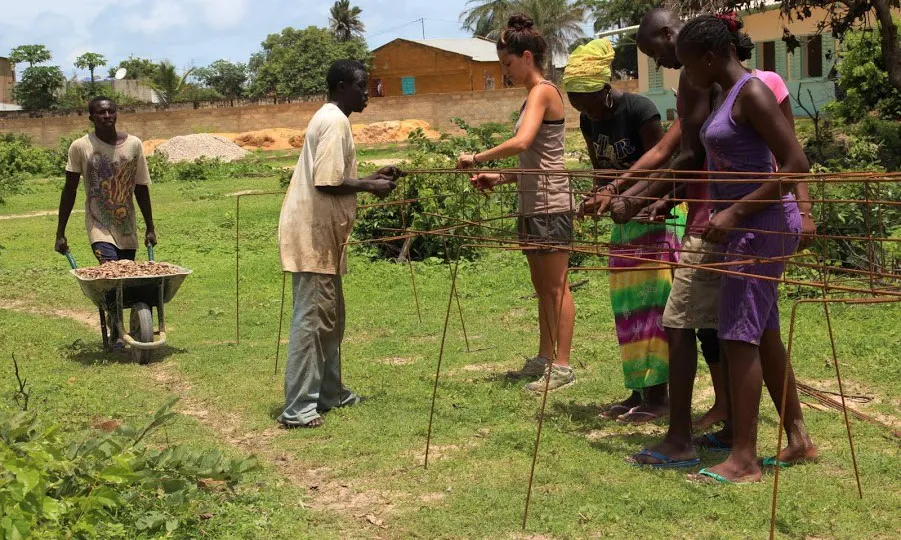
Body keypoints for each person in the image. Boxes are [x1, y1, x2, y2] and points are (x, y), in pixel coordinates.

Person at [626, 11, 816, 467]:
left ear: (710, 57)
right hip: (743, 226)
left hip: (761, 227)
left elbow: (794, 164)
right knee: (760, 333)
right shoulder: (728, 93)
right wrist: (664, 198)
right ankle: (794, 440)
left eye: (689, 65)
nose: (684, 73)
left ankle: (744, 458)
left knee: (738, 335)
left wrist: (733, 210)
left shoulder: (752, 91)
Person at [277, 60, 402, 428]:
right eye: (363, 86)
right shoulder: (334, 121)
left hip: (322, 234)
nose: (368, 93)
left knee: (330, 320)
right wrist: (369, 186)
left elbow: (334, 177)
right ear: (343, 85)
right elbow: (326, 181)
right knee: (313, 321)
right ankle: (298, 409)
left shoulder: (333, 118)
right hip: (312, 235)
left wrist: (368, 177)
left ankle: (330, 393)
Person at [458, 14, 575, 393]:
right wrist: (500, 176)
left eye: (507, 64)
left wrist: (478, 159)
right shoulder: (530, 97)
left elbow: (523, 143)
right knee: (541, 285)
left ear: (527, 57)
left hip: (551, 202)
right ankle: (544, 357)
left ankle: (563, 366)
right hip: (531, 201)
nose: (505, 72)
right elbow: (533, 159)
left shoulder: (544, 91)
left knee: (557, 286)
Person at [566, 39, 680, 424]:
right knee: (629, 308)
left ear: (605, 89)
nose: (588, 115)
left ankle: (658, 396)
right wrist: (596, 197)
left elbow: (663, 169)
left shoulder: (640, 110)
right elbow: (603, 171)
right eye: (578, 106)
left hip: (655, 220)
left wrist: (627, 198)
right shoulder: (587, 118)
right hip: (623, 223)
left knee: (655, 306)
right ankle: (637, 390)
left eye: (590, 104)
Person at [55, 96, 156, 349]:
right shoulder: (80, 147)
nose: (107, 115)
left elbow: (141, 188)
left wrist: (150, 227)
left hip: (126, 225)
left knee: (125, 278)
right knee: (110, 272)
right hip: (98, 223)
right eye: (101, 113)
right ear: (91, 117)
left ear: (117, 114)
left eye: (111, 111)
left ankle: (124, 323)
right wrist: (60, 232)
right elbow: (69, 190)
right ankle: (118, 329)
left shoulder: (134, 145)